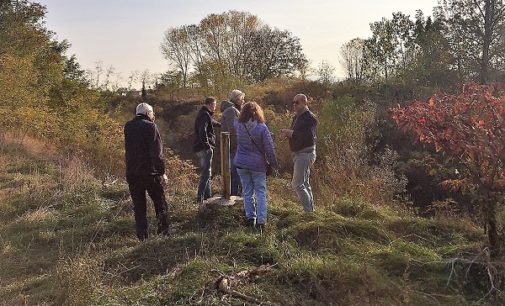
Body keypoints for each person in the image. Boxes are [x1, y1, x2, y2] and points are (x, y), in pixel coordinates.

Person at [124, 102, 169, 241]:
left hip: (132, 172)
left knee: (139, 206)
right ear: (148, 113)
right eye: (152, 113)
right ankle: (163, 233)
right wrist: (162, 172)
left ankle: (142, 236)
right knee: (160, 203)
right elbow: (157, 153)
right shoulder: (151, 126)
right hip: (150, 172)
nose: (153, 116)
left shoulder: (128, 126)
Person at [233, 102, 278, 229]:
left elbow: (233, 123)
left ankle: (250, 218)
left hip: (241, 163)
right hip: (257, 165)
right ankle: (261, 221)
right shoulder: (262, 128)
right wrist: (273, 163)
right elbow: (269, 148)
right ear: (258, 112)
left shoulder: (238, 125)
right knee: (260, 192)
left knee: (247, 192)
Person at [281, 94, 318, 212]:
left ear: (304, 103)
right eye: (293, 102)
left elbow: (307, 137)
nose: (294, 105)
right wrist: (288, 134)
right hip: (300, 154)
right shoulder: (297, 117)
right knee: (304, 183)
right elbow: (298, 133)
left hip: (305, 154)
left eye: (297, 102)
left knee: (297, 184)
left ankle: (308, 212)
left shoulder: (309, 118)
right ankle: (311, 211)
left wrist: (290, 133)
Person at [194, 97, 221, 203]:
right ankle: (200, 198)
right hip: (204, 148)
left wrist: (221, 125)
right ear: (210, 105)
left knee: (207, 172)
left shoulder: (204, 114)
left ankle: (208, 196)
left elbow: (212, 122)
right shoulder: (204, 115)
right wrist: (207, 146)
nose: (215, 107)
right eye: (214, 105)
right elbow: (202, 131)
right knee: (206, 173)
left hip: (200, 148)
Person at [221, 89, 245, 196]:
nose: (243, 101)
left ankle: (235, 195)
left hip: (234, 146)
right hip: (235, 146)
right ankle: (234, 196)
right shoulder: (231, 110)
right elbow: (233, 129)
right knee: (236, 173)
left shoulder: (233, 110)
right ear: (237, 99)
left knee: (236, 172)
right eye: (242, 99)